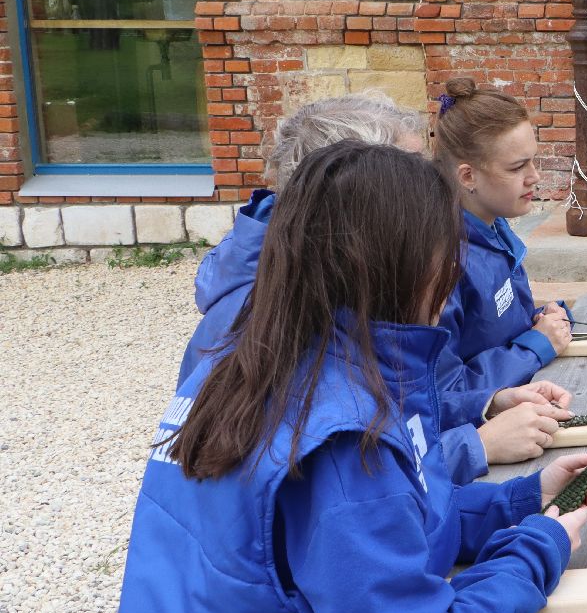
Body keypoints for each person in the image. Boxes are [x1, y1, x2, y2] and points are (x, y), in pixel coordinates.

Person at [92, 142, 587, 613]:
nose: (452, 272)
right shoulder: (344, 436)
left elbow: (386, 529)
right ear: (403, 266)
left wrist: (522, 501)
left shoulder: (250, 358)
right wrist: (541, 547)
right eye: (444, 253)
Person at [177, 93, 566, 486]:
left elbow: (397, 403)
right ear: (351, 191)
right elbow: (349, 483)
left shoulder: (329, 281)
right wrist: (474, 445)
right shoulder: (277, 315)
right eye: (412, 174)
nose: (435, 188)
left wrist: (483, 404)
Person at [432, 78, 574, 406]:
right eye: (517, 167)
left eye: (533, 160)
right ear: (468, 176)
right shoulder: (441, 263)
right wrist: (535, 346)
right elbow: (443, 391)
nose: (534, 176)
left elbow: (496, 330)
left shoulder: (493, 227)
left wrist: (544, 320)